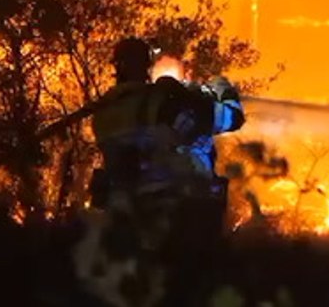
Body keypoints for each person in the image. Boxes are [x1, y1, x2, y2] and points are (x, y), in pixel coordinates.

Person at [88, 37, 245, 247]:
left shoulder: (104, 112)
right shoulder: (160, 103)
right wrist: (222, 90)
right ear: (147, 65)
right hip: (176, 217)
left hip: (125, 219)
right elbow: (231, 118)